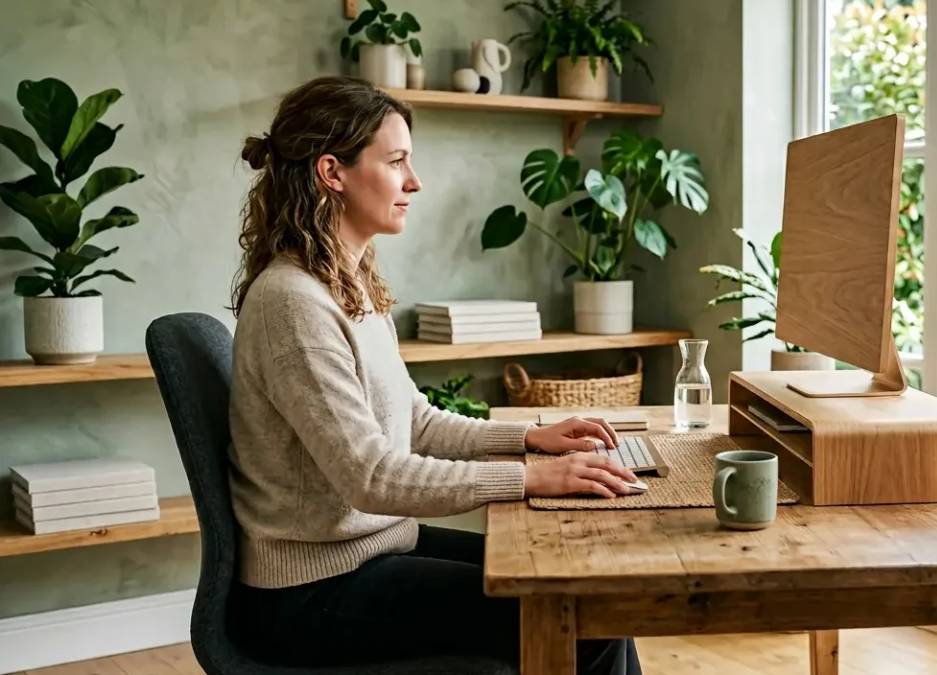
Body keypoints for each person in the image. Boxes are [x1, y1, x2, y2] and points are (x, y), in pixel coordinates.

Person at [223, 75, 644, 674]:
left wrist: (529, 439)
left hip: (377, 550)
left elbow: (415, 423)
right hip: (312, 594)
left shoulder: (351, 284)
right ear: (331, 172)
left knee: (597, 596)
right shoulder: (292, 302)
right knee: (580, 622)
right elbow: (371, 476)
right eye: (396, 162)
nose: (414, 182)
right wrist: (531, 477)